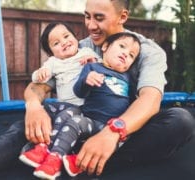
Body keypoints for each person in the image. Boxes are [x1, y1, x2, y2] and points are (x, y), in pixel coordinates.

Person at [0, 0, 193, 180]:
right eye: (86, 16)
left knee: (180, 121)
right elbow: (39, 86)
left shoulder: (148, 51)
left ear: (123, 17)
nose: (89, 25)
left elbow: (151, 99)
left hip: (120, 132)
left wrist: (112, 132)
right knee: (41, 117)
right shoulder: (80, 47)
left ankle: (72, 162)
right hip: (76, 123)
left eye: (98, 18)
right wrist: (34, 107)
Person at [20, 32, 141, 179]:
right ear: (106, 47)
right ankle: (44, 149)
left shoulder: (128, 77)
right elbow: (79, 92)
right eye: (122, 46)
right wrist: (86, 80)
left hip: (109, 128)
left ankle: (55, 158)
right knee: (58, 111)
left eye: (131, 55)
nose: (125, 54)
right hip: (91, 120)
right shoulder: (92, 67)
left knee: (75, 122)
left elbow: (136, 102)